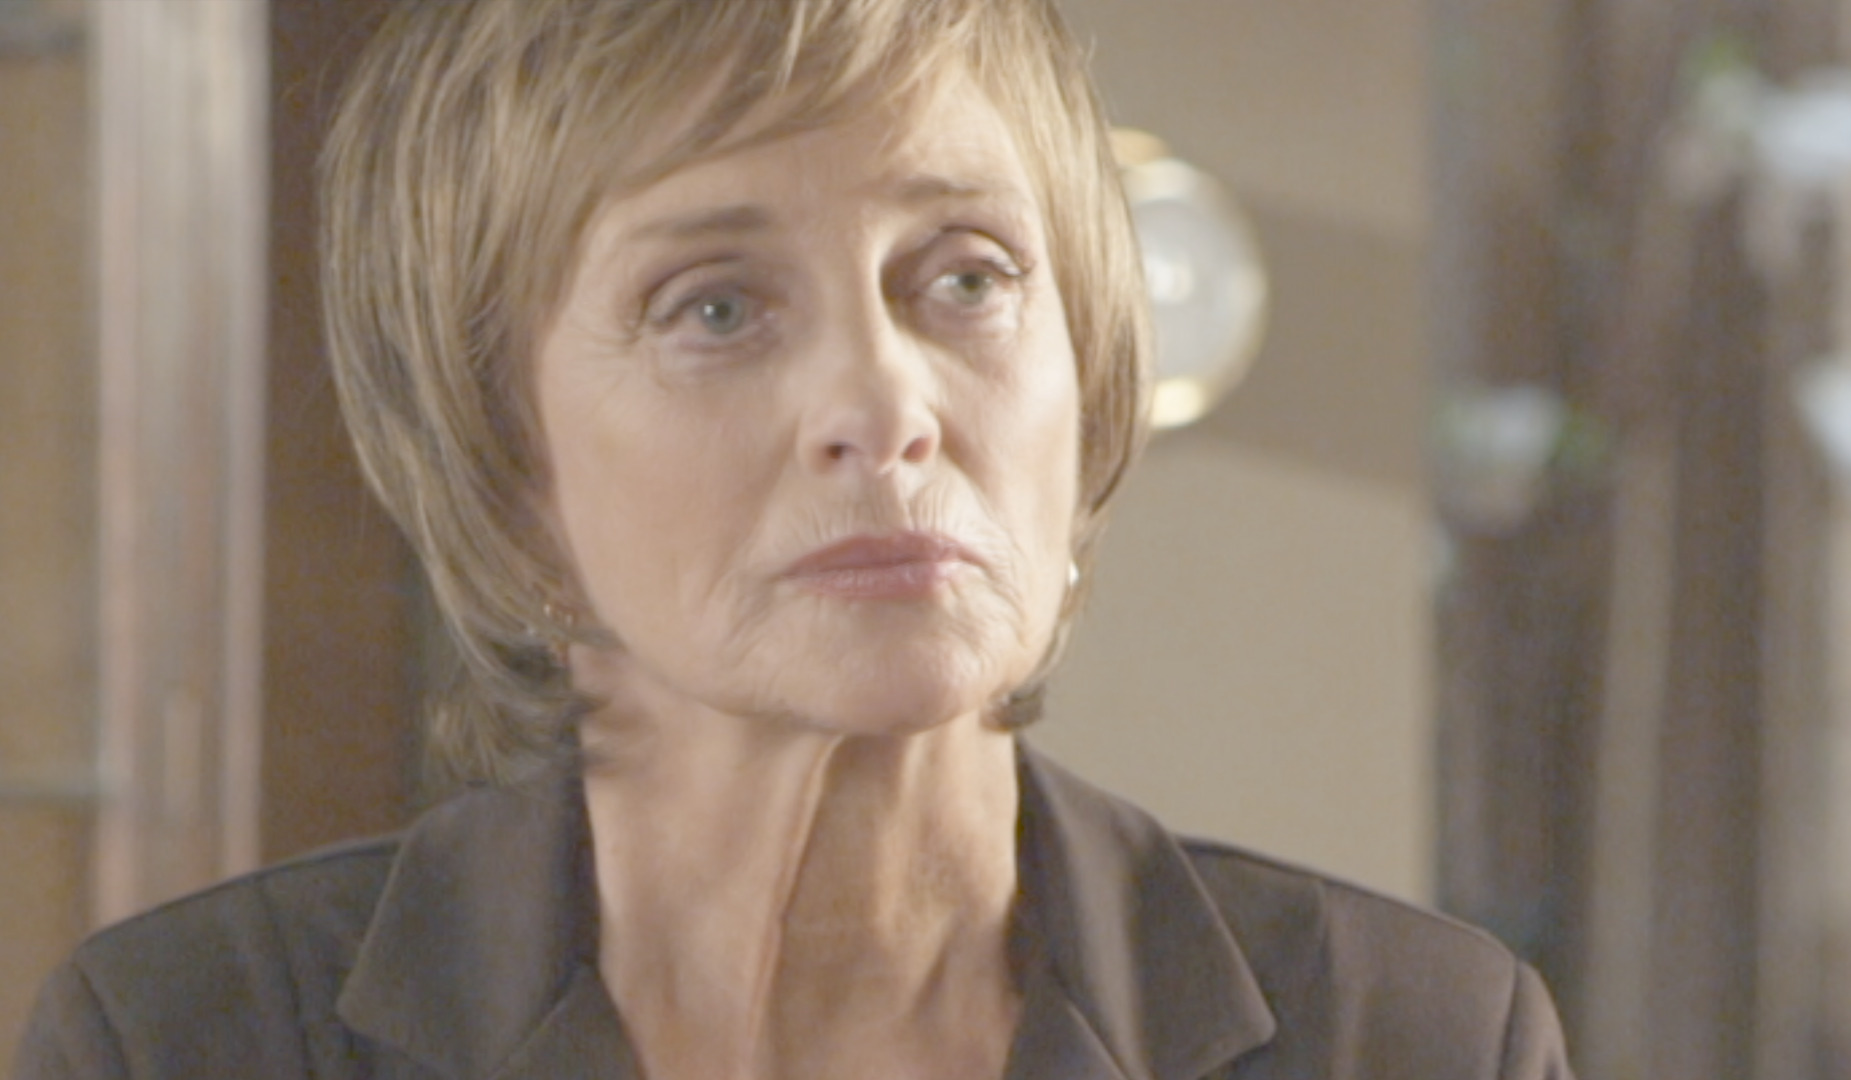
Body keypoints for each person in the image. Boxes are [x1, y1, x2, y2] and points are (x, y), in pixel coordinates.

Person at [13, 0, 1576, 1076]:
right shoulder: (190, 1040)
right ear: (507, 464)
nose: (885, 404)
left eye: (965, 278)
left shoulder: (1413, 1040)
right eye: (715, 307)